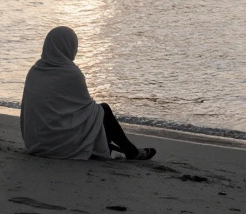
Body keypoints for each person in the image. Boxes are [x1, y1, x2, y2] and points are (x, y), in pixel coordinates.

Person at [19, 25, 155, 161]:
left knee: (96, 120)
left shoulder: (34, 71)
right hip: (59, 143)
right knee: (103, 110)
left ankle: (122, 150)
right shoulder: (71, 73)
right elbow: (87, 110)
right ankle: (131, 151)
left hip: (36, 143)